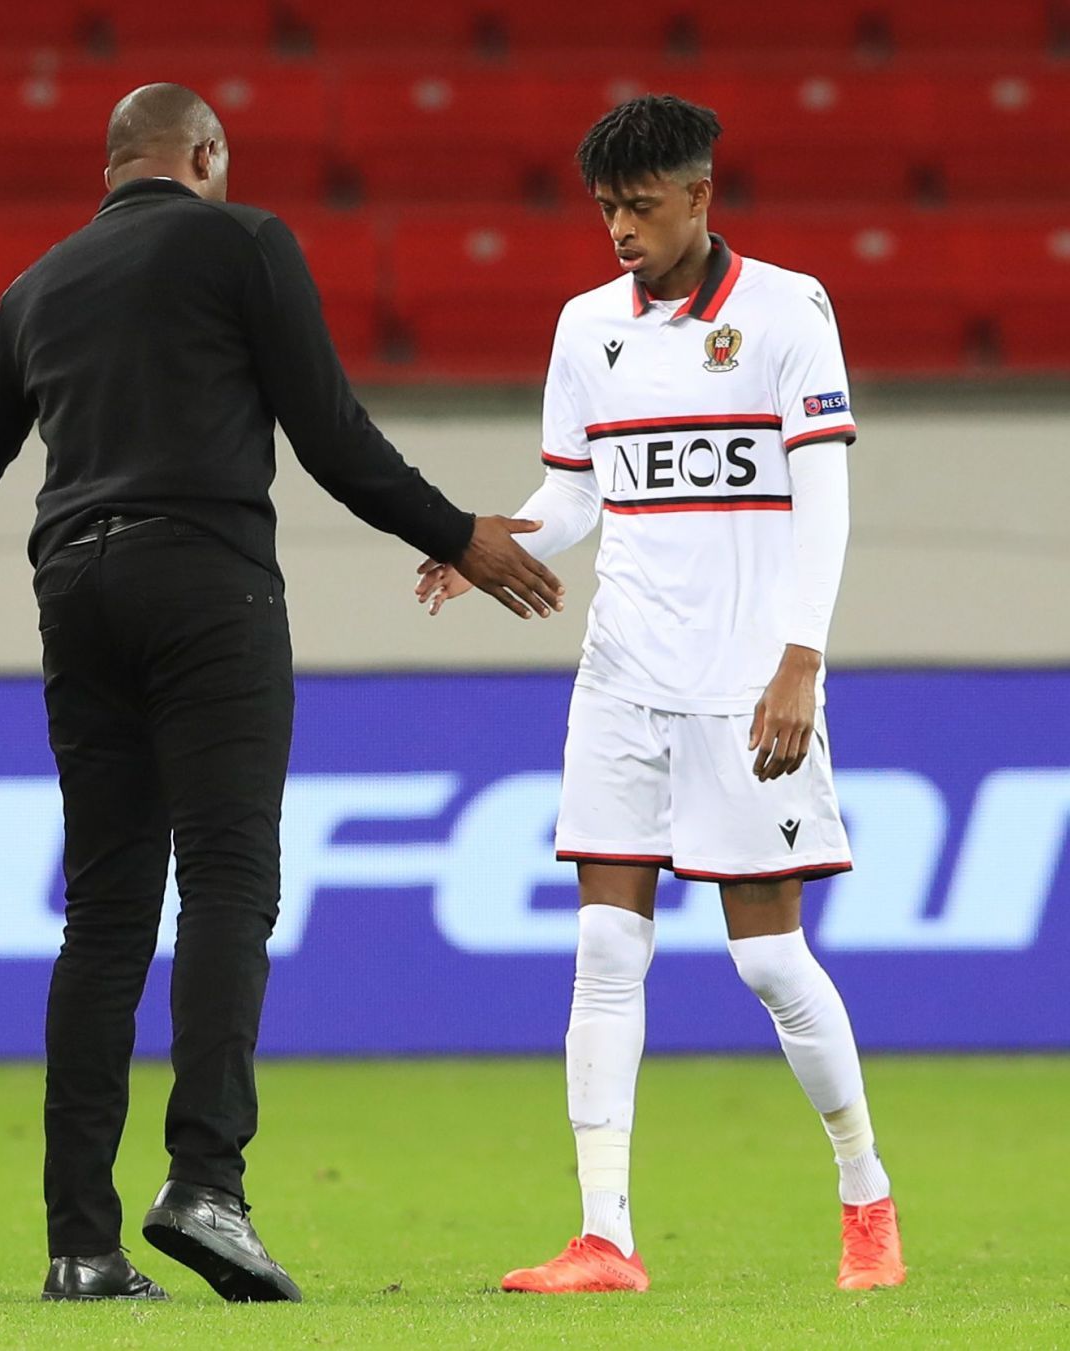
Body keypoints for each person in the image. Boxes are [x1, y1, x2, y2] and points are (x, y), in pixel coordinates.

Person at [0, 82, 563, 1303]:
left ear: (110, 169)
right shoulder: (245, 240)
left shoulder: (39, 285)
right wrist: (457, 534)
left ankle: (80, 1245)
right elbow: (330, 433)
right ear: (205, 155)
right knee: (227, 879)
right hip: (205, 580)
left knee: (103, 917)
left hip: (76, 589)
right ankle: (206, 1184)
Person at [418, 94, 904, 1294]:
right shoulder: (589, 328)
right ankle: (605, 1237)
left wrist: (803, 656)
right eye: (605, 210)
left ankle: (865, 1195)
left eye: (640, 206)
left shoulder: (791, 312)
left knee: (771, 965)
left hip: (748, 684)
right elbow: (580, 495)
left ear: (699, 194)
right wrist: (488, 540)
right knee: (601, 947)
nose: (621, 230)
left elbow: (825, 501)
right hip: (623, 677)